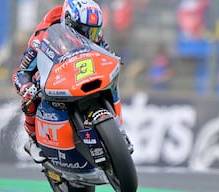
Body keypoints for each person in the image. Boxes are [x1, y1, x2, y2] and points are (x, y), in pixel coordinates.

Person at [12, 0, 133, 163]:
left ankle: (119, 131)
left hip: (82, 65)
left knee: (110, 80)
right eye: (84, 30)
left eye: (94, 31)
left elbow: (106, 52)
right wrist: (26, 87)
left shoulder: (94, 32)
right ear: (69, 22)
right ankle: (33, 141)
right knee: (30, 98)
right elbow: (21, 72)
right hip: (52, 68)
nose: (89, 35)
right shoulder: (41, 38)